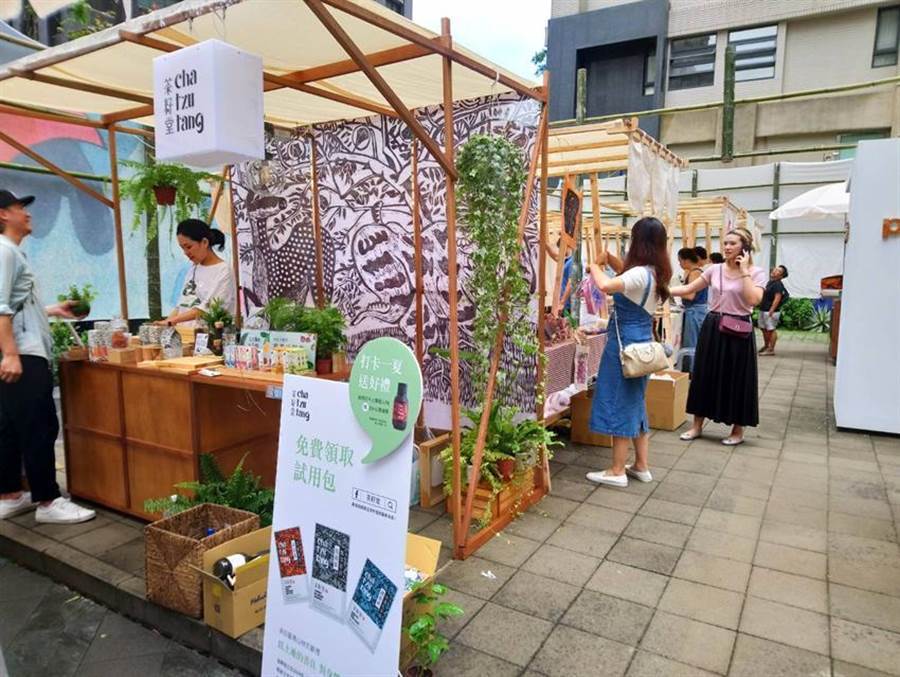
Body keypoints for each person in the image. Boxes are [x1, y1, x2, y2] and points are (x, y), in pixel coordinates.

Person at [0, 190, 96, 523]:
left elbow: (18, 305)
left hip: (19, 351)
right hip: (23, 353)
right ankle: (48, 501)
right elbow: (1, 307)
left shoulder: (11, 252)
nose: (26, 213)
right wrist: (10, 353)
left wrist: (54, 310)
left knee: (9, 426)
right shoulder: (5, 251)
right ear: (3, 214)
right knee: (39, 425)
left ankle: (10, 494)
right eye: (19, 208)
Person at [585, 217, 671, 487]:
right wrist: (609, 259)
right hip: (642, 344)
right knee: (635, 402)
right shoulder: (656, 272)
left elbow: (606, 285)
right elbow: (627, 277)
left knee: (618, 400)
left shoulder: (640, 274)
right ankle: (641, 466)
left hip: (624, 345)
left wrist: (593, 266)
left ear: (638, 242)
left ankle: (617, 470)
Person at [671, 227, 767, 446]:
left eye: (733, 243)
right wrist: (662, 289)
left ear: (745, 247)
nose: (727, 247)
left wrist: (744, 271)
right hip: (713, 325)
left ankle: (737, 430)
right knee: (704, 374)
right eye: (725, 243)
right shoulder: (714, 270)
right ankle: (696, 426)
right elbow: (689, 289)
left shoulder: (756, 272)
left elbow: (753, 300)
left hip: (739, 328)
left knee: (738, 378)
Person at [157, 219, 236, 328]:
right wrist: (165, 323)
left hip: (208, 335)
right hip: (184, 334)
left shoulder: (224, 271)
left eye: (189, 247)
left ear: (204, 242)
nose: (186, 253)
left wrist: (171, 321)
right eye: (182, 248)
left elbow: (208, 309)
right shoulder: (193, 269)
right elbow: (182, 305)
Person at [677, 247, 708, 353]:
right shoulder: (694, 272)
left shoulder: (695, 273)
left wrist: (676, 292)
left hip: (695, 311)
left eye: (680, 261)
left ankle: (692, 363)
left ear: (686, 260)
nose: (679, 264)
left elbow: (690, 295)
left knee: (691, 344)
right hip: (696, 310)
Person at [759, 265, 789, 356]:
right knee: (764, 328)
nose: (775, 271)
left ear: (781, 276)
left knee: (771, 329)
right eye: (776, 269)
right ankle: (766, 346)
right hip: (764, 309)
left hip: (770, 311)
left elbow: (777, 298)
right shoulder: (771, 282)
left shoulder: (778, 284)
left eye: (778, 271)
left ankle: (771, 349)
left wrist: (772, 310)